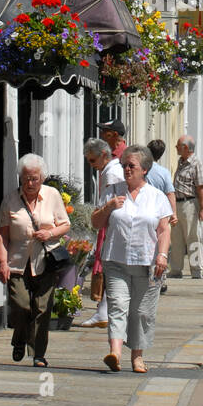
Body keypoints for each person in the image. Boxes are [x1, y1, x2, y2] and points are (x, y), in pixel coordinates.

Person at [92, 144, 171, 373]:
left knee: (142, 312)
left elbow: (164, 230)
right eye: (124, 165)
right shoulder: (112, 191)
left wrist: (162, 255)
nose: (126, 169)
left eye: (131, 166)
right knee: (117, 305)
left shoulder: (157, 197)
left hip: (148, 263)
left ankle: (137, 356)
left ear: (144, 169)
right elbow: (96, 223)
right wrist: (108, 207)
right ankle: (115, 353)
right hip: (115, 259)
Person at [0, 155, 72, 367]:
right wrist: (2, 262)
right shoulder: (10, 199)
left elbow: (66, 224)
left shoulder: (52, 195)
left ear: (42, 178)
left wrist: (50, 234)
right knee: (21, 306)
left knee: (42, 308)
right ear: (20, 178)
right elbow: (2, 233)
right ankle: (19, 339)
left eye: (35, 179)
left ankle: (38, 354)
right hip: (17, 262)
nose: (30, 184)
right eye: (26, 178)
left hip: (46, 260)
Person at [76, 138, 126, 328]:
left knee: (110, 268)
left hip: (112, 224)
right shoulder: (112, 170)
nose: (92, 166)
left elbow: (107, 201)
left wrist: (101, 214)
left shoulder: (111, 173)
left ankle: (104, 311)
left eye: (92, 161)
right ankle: (104, 310)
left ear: (103, 155)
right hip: (113, 223)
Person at [170, 135, 203, 279]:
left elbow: (200, 188)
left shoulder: (196, 164)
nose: (176, 148)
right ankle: (176, 269)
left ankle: (196, 269)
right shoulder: (181, 162)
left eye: (178, 146)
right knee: (176, 237)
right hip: (177, 203)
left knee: (192, 237)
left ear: (186, 147)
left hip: (190, 203)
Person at [146, 138, 177, 293]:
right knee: (163, 245)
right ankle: (161, 278)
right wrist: (173, 213)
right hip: (161, 214)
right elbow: (170, 193)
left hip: (145, 212)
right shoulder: (163, 172)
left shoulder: (142, 169)